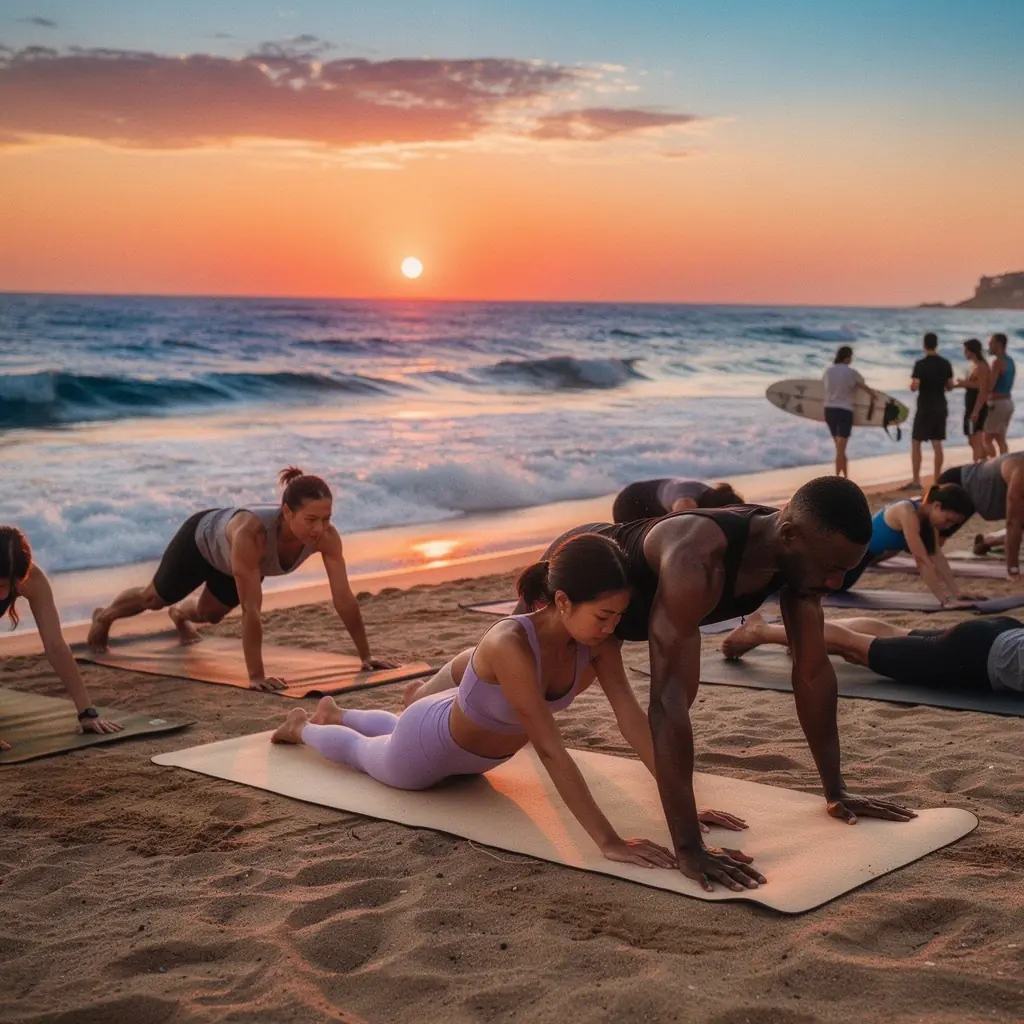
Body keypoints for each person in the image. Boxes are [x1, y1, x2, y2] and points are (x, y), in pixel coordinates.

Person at [451, 477, 914, 891]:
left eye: (847, 571)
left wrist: (836, 792)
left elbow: (813, 674)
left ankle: (452, 677)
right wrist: (688, 848)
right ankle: (430, 689)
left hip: (622, 620)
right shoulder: (699, 557)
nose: (836, 580)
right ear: (789, 535)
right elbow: (668, 701)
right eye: (831, 567)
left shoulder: (801, 562)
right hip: (583, 578)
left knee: (524, 692)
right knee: (501, 684)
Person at [271, 534, 745, 868]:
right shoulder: (511, 644)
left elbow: (632, 721)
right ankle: (304, 727)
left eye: (618, 616)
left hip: (473, 754)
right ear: (562, 602)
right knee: (364, 754)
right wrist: (608, 841)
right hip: (427, 747)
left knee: (388, 728)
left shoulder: (601, 645)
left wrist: (680, 799)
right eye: (603, 615)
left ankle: (341, 711)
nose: (610, 628)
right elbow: (550, 748)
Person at [87, 468, 393, 691]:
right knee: (153, 599)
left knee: (211, 615)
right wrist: (256, 675)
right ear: (286, 512)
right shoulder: (254, 535)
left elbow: (343, 598)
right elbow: (252, 610)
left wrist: (366, 656)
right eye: (310, 519)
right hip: (199, 541)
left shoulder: (326, 538)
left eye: (326, 518)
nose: (319, 528)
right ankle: (105, 616)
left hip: (230, 562)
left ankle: (181, 615)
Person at [0, 526, 122, 751]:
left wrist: (86, 712)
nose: (2, 595)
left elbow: (55, 646)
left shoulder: (32, 579)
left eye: (7, 586)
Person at [721, 611, 1023, 696]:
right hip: (973, 655)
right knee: (854, 646)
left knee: (886, 635)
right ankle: (760, 632)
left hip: (1000, 633)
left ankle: (785, 633)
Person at [837, 485, 978, 606]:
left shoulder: (929, 520)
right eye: (948, 520)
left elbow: (937, 557)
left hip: (863, 559)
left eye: (953, 524)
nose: (948, 527)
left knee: (839, 588)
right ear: (936, 506)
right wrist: (945, 600)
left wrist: (957, 592)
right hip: (845, 557)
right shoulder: (906, 512)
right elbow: (922, 561)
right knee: (830, 588)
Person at [939, 453, 1024, 579]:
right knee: (934, 543)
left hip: (984, 495)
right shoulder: (1021, 473)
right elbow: (1013, 523)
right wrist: (1013, 570)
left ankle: (986, 543)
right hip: (960, 485)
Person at [821, 345, 876, 478]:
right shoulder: (852, 372)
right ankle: (838, 478)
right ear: (847, 358)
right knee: (840, 449)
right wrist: (872, 396)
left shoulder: (828, 371)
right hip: (844, 411)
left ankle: (844, 477)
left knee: (840, 448)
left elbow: (824, 387)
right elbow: (862, 385)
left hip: (829, 410)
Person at [908, 332, 954, 489]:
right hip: (940, 406)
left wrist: (912, 387)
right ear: (936, 344)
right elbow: (949, 386)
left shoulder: (920, 364)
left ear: (924, 344)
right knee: (937, 443)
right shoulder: (945, 363)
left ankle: (916, 480)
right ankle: (936, 480)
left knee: (916, 442)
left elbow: (915, 386)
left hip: (925, 406)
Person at [612, 480, 744, 523]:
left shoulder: (713, 495)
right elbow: (678, 529)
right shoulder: (686, 503)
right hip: (630, 503)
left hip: (655, 499)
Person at [954, 338, 993, 462]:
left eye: (965, 350)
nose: (964, 353)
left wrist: (975, 411)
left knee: (975, 440)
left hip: (977, 408)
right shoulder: (974, 365)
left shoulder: (982, 366)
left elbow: (983, 390)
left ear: (972, 351)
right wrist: (960, 384)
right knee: (972, 439)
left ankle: (979, 467)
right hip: (971, 406)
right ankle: (988, 461)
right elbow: (974, 385)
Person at [984, 333, 1015, 456]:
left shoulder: (997, 362)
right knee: (1000, 439)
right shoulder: (1010, 361)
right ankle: (1004, 468)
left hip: (996, 404)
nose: (989, 346)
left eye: (991, 343)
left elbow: (990, 386)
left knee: (986, 439)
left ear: (998, 344)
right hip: (1007, 403)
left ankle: (994, 469)